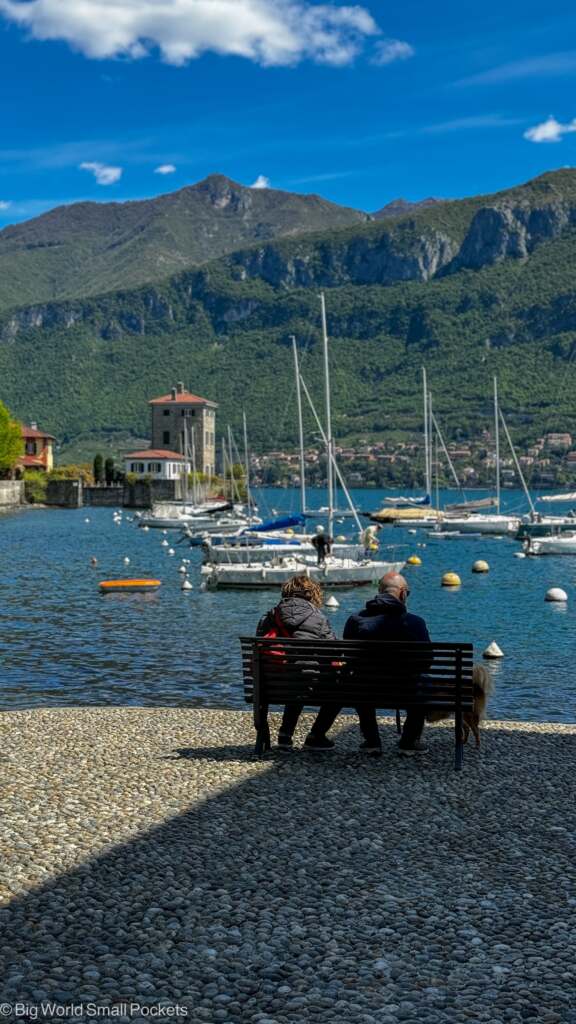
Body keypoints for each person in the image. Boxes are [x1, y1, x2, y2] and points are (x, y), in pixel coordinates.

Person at [343, 572, 432, 755]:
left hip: (366, 689)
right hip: (406, 689)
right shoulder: (415, 623)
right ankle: (409, 741)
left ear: (379, 591)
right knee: (424, 682)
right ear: (402, 593)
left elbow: (348, 658)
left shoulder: (355, 620)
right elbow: (427, 661)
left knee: (358, 680)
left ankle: (372, 741)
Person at [256, 574, 337, 750]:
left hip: (270, 686)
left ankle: (285, 735)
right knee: (332, 686)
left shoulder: (269, 617)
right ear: (312, 594)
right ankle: (316, 735)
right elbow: (333, 652)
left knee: (295, 675)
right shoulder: (319, 618)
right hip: (309, 685)